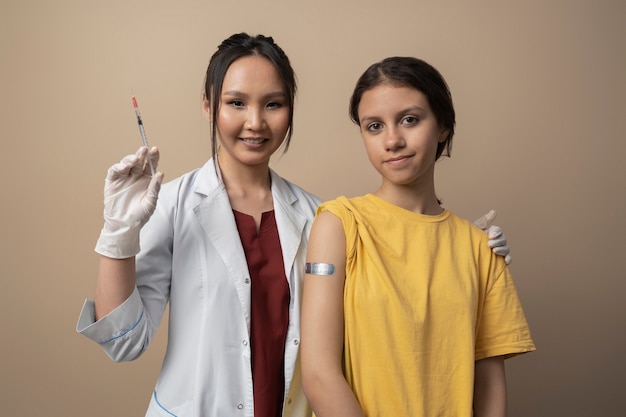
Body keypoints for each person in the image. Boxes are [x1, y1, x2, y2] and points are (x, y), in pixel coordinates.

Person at [76, 34, 512, 417]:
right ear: (209, 105)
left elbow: (378, 316)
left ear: (289, 110)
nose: (255, 122)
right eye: (236, 103)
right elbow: (123, 343)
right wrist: (118, 234)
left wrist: (460, 250)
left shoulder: (319, 216)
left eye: (273, 104)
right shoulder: (170, 205)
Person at [300, 57, 535, 417]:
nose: (392, 140)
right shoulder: (339, 224)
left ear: (442, 125)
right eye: (374, 126)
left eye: (409, 120)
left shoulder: (480, 248)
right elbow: (319, 374)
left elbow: (488, 387)